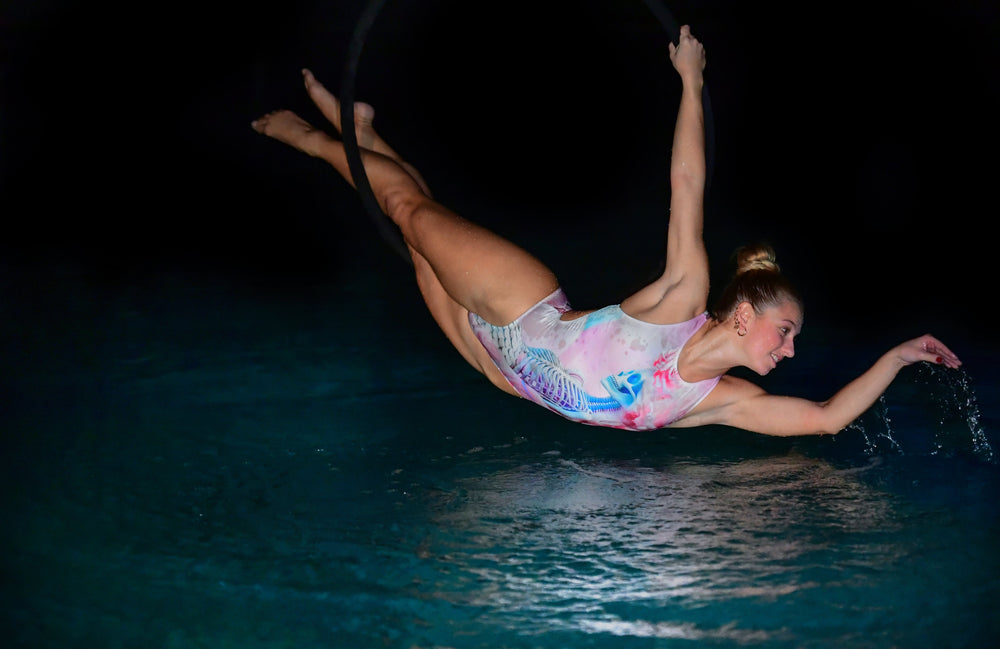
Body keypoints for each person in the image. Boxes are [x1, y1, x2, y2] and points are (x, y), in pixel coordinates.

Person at [252, 25, 961, 435]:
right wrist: (690, 79)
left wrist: (898, 355)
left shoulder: (721, 401)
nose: (792, 347)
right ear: (744, 313)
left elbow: (827, 418)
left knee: (415, 237)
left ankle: (364, 129)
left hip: (505, 370)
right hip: (520, 309)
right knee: (407, 212)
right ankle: (317, 142)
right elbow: (688, 185)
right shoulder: (684, 299)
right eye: (786, 330)